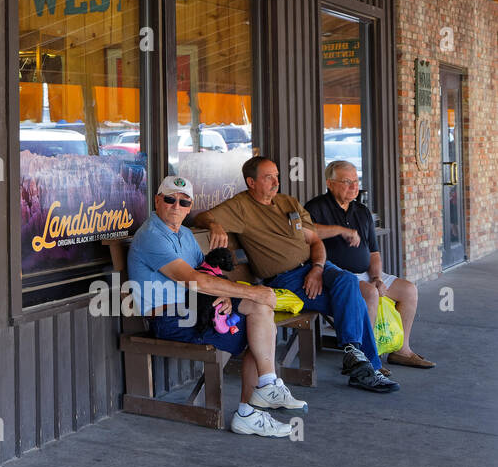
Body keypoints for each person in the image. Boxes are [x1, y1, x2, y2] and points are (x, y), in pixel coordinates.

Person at [192, 156, 399, 394]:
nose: (275, 181)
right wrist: (215, 226)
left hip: (316, 268)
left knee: (349, 281)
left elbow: (314, 240)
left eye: (277, 175)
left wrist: (317, 268)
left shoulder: (288, 202)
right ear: (251, 181)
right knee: (356, 300)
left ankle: (357, 357)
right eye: (268, 177)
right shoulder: (241, 207)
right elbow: (202, 217)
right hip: (286, 279)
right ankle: (365, 366)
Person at [127, 175, 305, 438]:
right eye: (169, 199)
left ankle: (267, 383)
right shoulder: (152, 236)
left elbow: (207, 274)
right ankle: (248, 412)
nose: (176, 206)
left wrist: (224, 294)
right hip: (172, 320)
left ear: (190, 206)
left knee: (261, 312)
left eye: (183, 202)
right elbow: (194, 280)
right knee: (257, 331)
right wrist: (250, 290)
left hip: (197, 309)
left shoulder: (185, 234)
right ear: (157, 200)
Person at [305, 161, 433, 368]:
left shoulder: (361, 211)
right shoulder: (316, 207)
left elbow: (373, 252)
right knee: (370, 294)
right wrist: (341, 230)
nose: (353, 187)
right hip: (336, 277)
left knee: (409, 290)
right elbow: (306, 232)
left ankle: (401, 350)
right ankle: (368, 360)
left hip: (365, 273)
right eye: (346, 182)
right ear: (330, 183)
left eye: (356, 181)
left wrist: (377, 278)